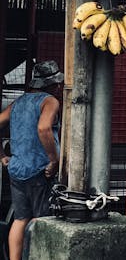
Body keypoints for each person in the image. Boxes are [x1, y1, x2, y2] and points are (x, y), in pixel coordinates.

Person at [0, 60, 63, 260]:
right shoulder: (49, 101)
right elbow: (43, 128)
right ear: (53, 85)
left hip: (16, 170)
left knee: (20, 219)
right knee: (40, 220)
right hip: (38, 170)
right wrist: (54, 161)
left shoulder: (18, 102)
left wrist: (2, 157)